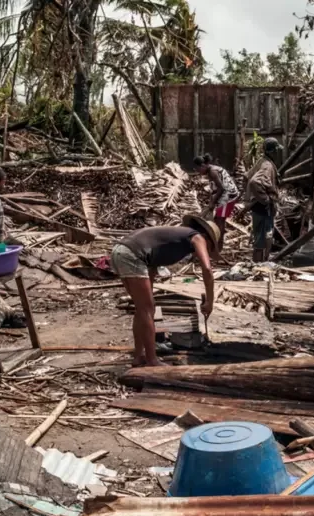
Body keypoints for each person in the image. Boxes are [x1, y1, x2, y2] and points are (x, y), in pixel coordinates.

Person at [111, 216, 221, 367]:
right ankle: (152, 360)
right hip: (131, 254)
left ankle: (138, 357)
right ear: (207, 239)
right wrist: (210, 301)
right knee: (147, 309)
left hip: (121, 250)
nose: (206, 251)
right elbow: (207, 269)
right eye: (209, 248)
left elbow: (152, 268)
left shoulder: (177, 239)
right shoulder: (197, 237)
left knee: (142, 309)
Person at [244, 138, 281, 262]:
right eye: (277, 151)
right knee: (262, 239)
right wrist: (265, 199)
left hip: (258, 207)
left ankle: (260, 263)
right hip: (262, 208)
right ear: (273, 151)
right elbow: (255, 182)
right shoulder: (267, 165)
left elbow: (247, 177)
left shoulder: (261, 161)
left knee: (262, 237)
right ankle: (260, 265)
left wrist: (249, 197)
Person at [194, 153, 240, 250]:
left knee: (220, 220)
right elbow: (215, 189)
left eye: (198, 170)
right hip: (224, 195)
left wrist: (213, 203)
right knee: (217, 219)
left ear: (202, 166)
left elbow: (222, 188)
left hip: (228, 196)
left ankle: (218, 247)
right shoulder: (210, 170)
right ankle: (216, 244)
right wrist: (212, 202)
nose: (198, 172)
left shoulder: (212, 172)